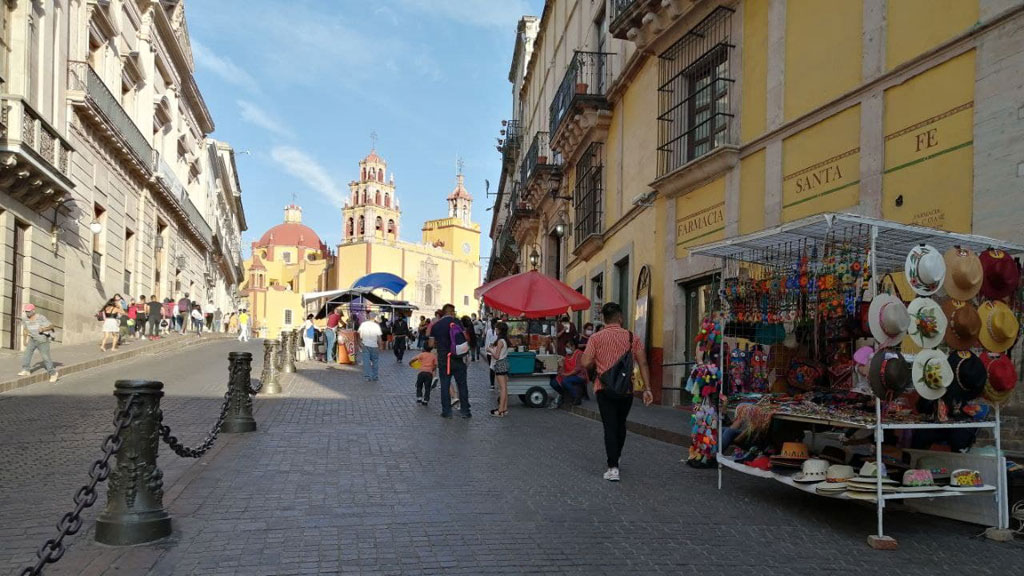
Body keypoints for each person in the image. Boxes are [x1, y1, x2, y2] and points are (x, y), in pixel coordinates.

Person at [581, 302, 653, 482]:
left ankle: (613, 467)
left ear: (604, 319)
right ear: (620, 317)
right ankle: (617, 455)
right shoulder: (631, 337)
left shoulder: (596, 338)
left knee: (609, 426)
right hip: (626, 389)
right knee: (621, 424)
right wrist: (647, 388)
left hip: (603, 388)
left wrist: (597, 362)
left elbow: (585, 362)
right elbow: (643, 363)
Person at [429, 304, 470, 419]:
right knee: (462, 385)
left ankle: (446, 411)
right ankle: (465, 411)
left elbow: (431, 344)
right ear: (452, 312)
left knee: (445, 384)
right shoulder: (457, 322)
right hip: (458, 358)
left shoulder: (436, 326)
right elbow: (465, 338)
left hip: (444, 359)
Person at [17, 303, 59, 382]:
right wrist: (24, 340)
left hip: (42, 340)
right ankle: (26, 370)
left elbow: (51, 326)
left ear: (33, 311)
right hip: (32, 339)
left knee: (45, 357)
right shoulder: (25, 318)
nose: (27, 313)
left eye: (29, 311)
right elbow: (25, 329)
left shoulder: (40, 317)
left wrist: (43, 329)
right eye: (26, 311)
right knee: (27, 354)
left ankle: (53, 373)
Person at [551, 339, 589, 408]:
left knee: (565, 381)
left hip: (579, 375)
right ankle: (564, 395)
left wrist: (566, 375)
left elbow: (577, 369)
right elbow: (564, 366)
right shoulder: (567, 355)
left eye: (568, 347)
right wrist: (560, 369)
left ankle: (577, 397)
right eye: (566, 347)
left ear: (573, 346)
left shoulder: (579, 354)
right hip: (569, 374)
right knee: (554, 382)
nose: (567, 349)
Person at [487, 321, 510, 417]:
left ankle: (500, 410)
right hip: (504, 362)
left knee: (502, 388)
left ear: (499, 330)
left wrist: (490, 350)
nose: (495, 330)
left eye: (496, 328)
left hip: (499, 364)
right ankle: (504, 408)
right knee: (504, 387)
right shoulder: (504, 340)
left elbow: (496, 356)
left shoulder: (500, 341)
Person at [358, 312, 383, 381]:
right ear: (374, 318)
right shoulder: (376, 325)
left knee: (366, 362)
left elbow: (359, 334)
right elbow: (379, 337)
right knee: (375, 361)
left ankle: (367, 377)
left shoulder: (363, 324)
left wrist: (359, 342)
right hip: (374, 345)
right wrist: (380, 345)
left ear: (368, 317)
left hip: (365, 345)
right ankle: (375, 376)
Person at [484, 318, 498, 390]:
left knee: (492, 368)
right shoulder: (492, 331)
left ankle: (492, 384)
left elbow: (487, 342)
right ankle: (493, 384)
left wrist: (487, 351)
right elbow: (487, 342)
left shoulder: (490, 331)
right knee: (494, 368)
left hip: (490, 352)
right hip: (494, 352)